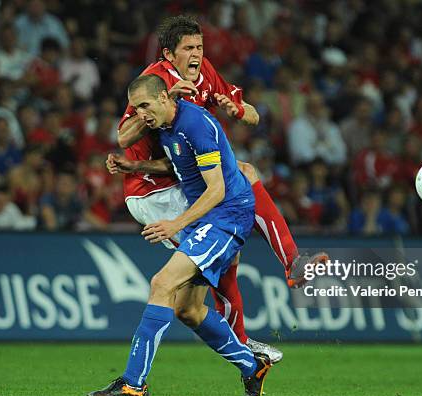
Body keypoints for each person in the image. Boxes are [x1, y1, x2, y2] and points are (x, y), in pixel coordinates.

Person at [110, 15, 326, 362]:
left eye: (200, 47)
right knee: (241, 180)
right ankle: (243, 342)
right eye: (188, 49)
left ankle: (288, 270)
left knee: (192, 304)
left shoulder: (206, 72)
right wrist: (165, 100)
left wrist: (237, 109)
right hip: (156, 193)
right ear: (168, 54)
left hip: (184, 184)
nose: (197, 54)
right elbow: (123, 137)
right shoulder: (155, 82)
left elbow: (253, 115)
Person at [88, 75, 272, 396]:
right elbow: (175, 164)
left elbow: (216, 189)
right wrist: (134, 166)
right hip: (210, 218)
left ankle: (133, 381)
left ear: (163, 98)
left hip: (228, 215)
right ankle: (250, 365)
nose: (141, 114)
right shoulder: (168, 126)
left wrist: (175, 224)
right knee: (188, 309)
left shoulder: (195, 123)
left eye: (145, 105)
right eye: (136, 108)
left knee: (162, 283)